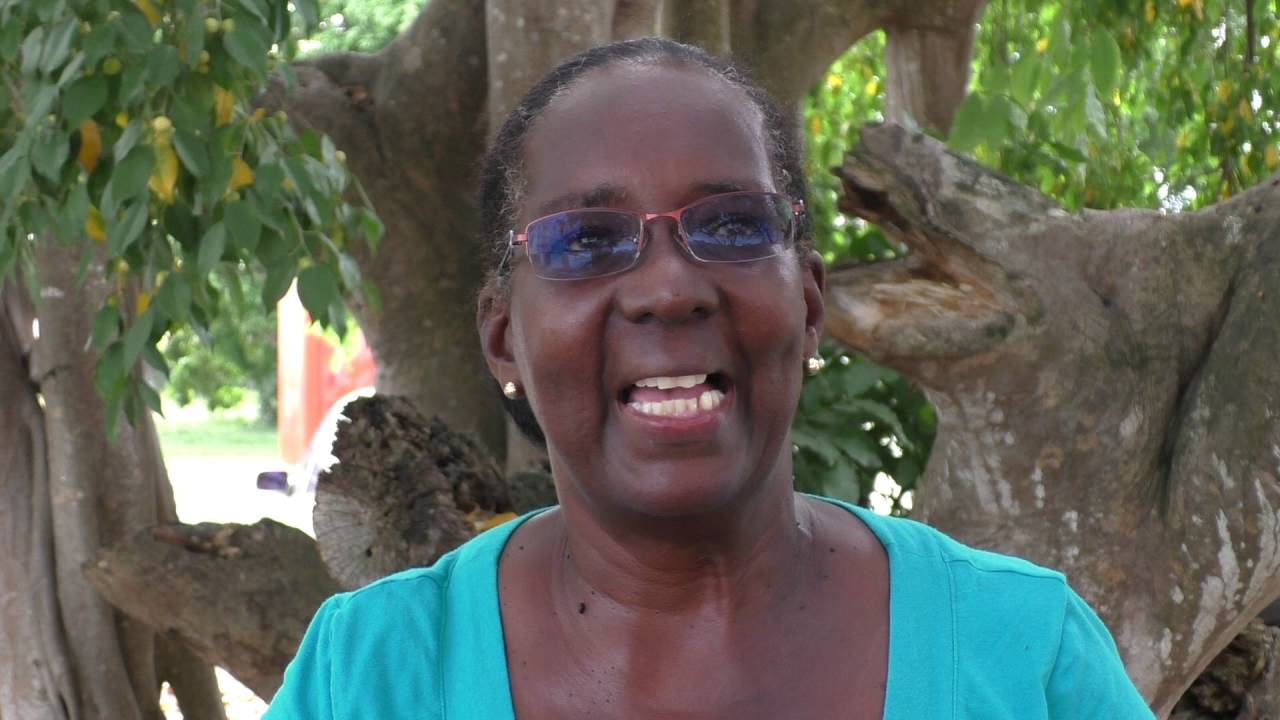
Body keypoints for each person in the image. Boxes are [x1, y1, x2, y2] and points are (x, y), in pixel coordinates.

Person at [265, 38, 1154, 719]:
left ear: (809, 304)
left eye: (731, 226)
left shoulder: (1025, 657)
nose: (668, 289)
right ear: (503, 337)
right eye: (586, 240)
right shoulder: (370, 677)